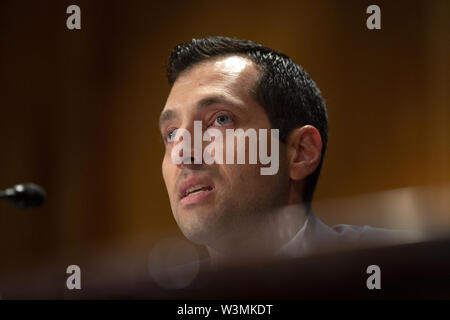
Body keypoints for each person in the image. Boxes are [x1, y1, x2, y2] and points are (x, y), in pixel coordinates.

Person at [159, 36, 417, 265]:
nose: (181, 153)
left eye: (220, 120)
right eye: (171, 134)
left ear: (301, 152)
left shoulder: (400, 270)